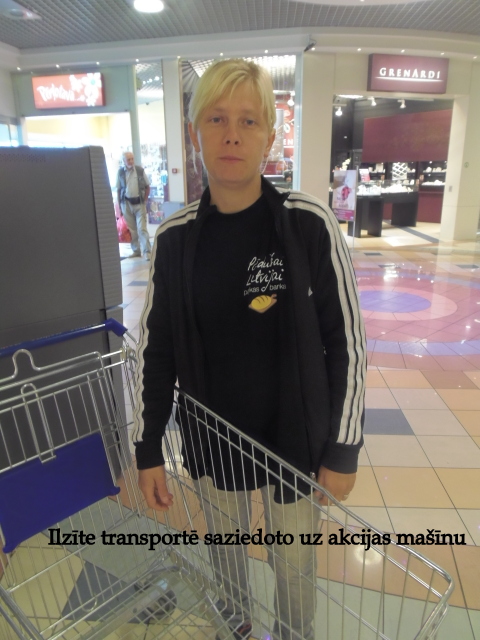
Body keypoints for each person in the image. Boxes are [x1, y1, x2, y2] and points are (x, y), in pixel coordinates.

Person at [133, 58, 366, 640]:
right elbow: (156, 350)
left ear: (269, 135)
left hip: (296, 438)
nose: (232, 134)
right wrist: (148, 446)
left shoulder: (307, 224)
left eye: (248, 120)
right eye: (216, 119)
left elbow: (347, 343)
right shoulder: (174, 239)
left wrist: (343, 449)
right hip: (213, 436)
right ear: (195, 134)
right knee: (227, 560)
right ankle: (233, 626)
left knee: (294, 567)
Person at [116, 151, 152, 260]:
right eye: (128, 159)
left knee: (142, 228)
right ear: (124, 161)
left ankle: (147, 252)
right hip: (126, 204)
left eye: (132, 159)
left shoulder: (140, 171)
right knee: (132, 230)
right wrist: (119, 206)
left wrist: (144, 200)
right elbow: (119, 189)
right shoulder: (120, 172)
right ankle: (136, 251)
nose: (131, 161)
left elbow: (147, 186)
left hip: (139, 203)